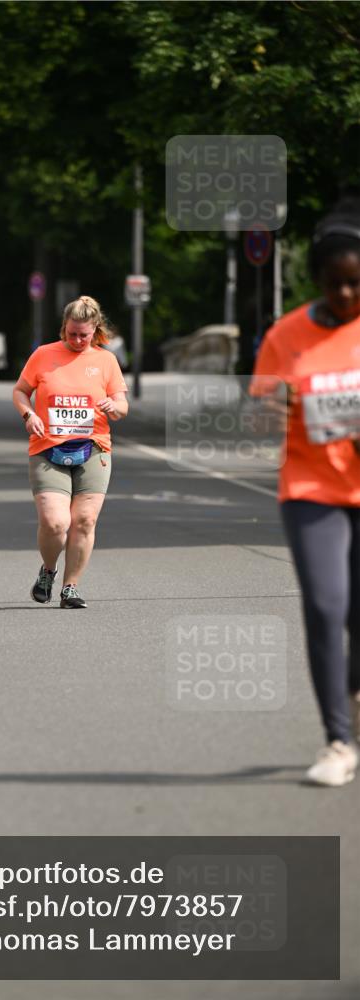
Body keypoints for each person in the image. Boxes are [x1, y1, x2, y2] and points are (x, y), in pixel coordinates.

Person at [251, 197, 360, 786]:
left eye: (356, 285)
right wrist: (277, 407)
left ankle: (355, 699)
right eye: (335, 284)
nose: (345, 296)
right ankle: (338, 741)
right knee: (325, 606)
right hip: (312, 487)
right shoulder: (286, 336)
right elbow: (258, 421)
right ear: (316, 280)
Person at [13, 295, 128, 609]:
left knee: (85, 520)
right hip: (47, 447)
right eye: (72, 333)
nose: (77, 340)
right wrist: (29, 415)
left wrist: (113, 406)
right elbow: (21, 391)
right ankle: (48, 570)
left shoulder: (105, 360)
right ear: (63, 328)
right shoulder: (43, 355)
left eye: (84, 335)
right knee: (55, 523)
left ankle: (70, 587)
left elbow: (122, 405)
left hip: (94, 448)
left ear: (95, 331)